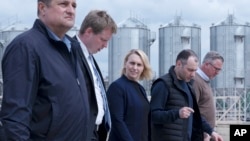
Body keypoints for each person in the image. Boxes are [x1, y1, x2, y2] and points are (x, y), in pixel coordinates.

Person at [0, 0, 90, 140]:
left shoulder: (72, 49)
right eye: (63, 4)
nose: (71, 10)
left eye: (74, 5)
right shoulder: (25, 47)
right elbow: (15, 118)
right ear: (42, 8)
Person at [150, 49, 223, 141]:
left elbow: (195, 115)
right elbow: (153, 115)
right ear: (179, 64)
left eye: (195, 71)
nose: (193, 75)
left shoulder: (188, 86)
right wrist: (177, 113)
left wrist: (211, 132)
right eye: (190, 70)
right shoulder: (163, 84)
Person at [74, 10, 117, 141]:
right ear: (88, 32)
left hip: (94, 133)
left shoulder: (90, 59)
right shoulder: (69, 54)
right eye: (103, 40)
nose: (105, 46)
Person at [107, 49, 153, 141]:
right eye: (132, 63)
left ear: (143, 68)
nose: (135, 68)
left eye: (139, 65)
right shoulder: (117, 87)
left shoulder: (141, 89)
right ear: (125, 64)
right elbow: (117, 121)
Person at [192, 51, 224, 141]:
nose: (217, 73)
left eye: (219, 70)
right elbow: (192, 110)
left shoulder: (204, 81)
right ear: (206, 64)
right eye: (216, 69)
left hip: (208, 133)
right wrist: (204, 133)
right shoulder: (196, 81)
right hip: (201, 134)